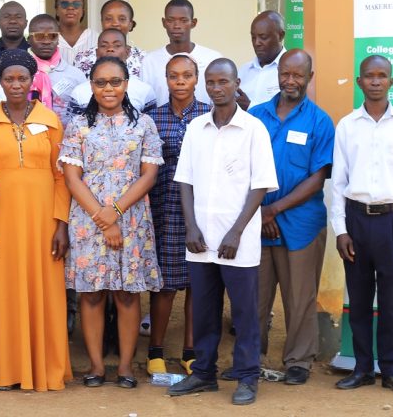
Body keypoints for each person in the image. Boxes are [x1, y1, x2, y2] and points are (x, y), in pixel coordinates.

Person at [166, 58, 277, 406]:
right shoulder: (197, 128)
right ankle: (203, 373)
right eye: (211, 83)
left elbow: (260, 186)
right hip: (201, 238)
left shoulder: (253, 129)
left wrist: (236, 232)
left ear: (236, 83)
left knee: (244, 313)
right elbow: (185, 181)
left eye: (223, 82)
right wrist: (191, 226)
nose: (217, 88)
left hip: (237, 240)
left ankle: (247, 376)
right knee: (203, 309)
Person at [59, 56, 164, 389]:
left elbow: (149, 175)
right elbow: (72, 177)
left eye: (115, 82)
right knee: (91, 294)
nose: (108, 88)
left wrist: (115, 212)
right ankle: (95, 366)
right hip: (88, 218)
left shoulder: (143, 124)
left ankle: (125, 367)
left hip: (131, 217)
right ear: (91, 86)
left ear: (126, 84)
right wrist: (102, 218)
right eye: (101, 82)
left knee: (127, 294)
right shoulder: (78, 125)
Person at [0, 50, 73, 392]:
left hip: (43, 219)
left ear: (33, 81)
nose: (15, 85)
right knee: (1, 292)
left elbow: (62, 176)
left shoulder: (50, 121)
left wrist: (61, 223)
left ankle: (44, 368)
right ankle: (5, 368)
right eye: (8, 79)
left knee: (43, 290)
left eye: (22, 79)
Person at [331, 55, 393, 395]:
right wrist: (340, 230)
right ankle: (361, 368)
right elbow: (338, 184)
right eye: (368, 76)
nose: (375, 81)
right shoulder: (346, 126)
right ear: (359, 82)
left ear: (391, 82)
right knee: (358, 301)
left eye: (381, 76)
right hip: (356, 221)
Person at [247, 49, 333, 385]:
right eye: (285, 73)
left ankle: (299, 360)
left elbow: (318, 177)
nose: (290, 80)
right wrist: (261, 211)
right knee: (255, 294)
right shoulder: (255, 116)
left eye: (298, 75)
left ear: (310, 77)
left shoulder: (320, 121)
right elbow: (243, 168)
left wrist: (275, 209)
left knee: (300, 297)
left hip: (301, 223)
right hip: (257, 221)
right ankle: (251, 356)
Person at [145, 54, 210, 377]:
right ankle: (155, 350)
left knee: (199, 283)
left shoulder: (210, 116)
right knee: (165, 285)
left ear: (196, 79)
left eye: (187, 75)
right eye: (174, 76)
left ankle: (190, 351)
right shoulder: (153, 118)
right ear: (166, 79)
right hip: (165, 207)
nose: (181, 81)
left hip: (203, 209)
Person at [142, 0, 223, 106]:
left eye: (183, 20)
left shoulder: (213, 59)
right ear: (164, 23)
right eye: (171, 20)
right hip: (161, 122)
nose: (177, 26)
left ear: (193, 23)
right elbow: (147, 102)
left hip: (206, 122)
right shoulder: (150, 61)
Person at [69, 29, 156, 114]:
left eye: (117, 45)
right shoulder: (79, 92)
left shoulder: (145, 91)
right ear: (97, 52)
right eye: (104, 45)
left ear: (127, 52)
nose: (110, 49)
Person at [27, 13, 86, 126]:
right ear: (29, 39)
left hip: (66, 140)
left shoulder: (76, 75)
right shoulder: (20, 73)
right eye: (39, 36)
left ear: (58, 39)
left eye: (52, 36)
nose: (46, 41)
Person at [73, 0, 146, 78]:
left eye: (122, 19)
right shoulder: (83, 58)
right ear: (102, 22)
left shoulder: (143, 59)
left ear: (130, 24)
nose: (115, 23)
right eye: (108, 19)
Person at [237, 11, 287, 110]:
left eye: (263, 37)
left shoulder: (292, 71)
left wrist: (250, 107)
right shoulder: (243, 71)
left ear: (280, 36)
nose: (257, 43)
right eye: (253, 37)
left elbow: (290, 111)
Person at [0, 1, 30, 81]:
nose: (13, 21)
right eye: (6, 17)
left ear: (26, 23)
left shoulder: (34, 53)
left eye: (18, 17)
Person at [54, 0, 96, 66]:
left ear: (83, 11)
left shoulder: (97, 38)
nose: (70, 8)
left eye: (76, 4)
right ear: (57, 10)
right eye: (64, 4)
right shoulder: (48, 39)